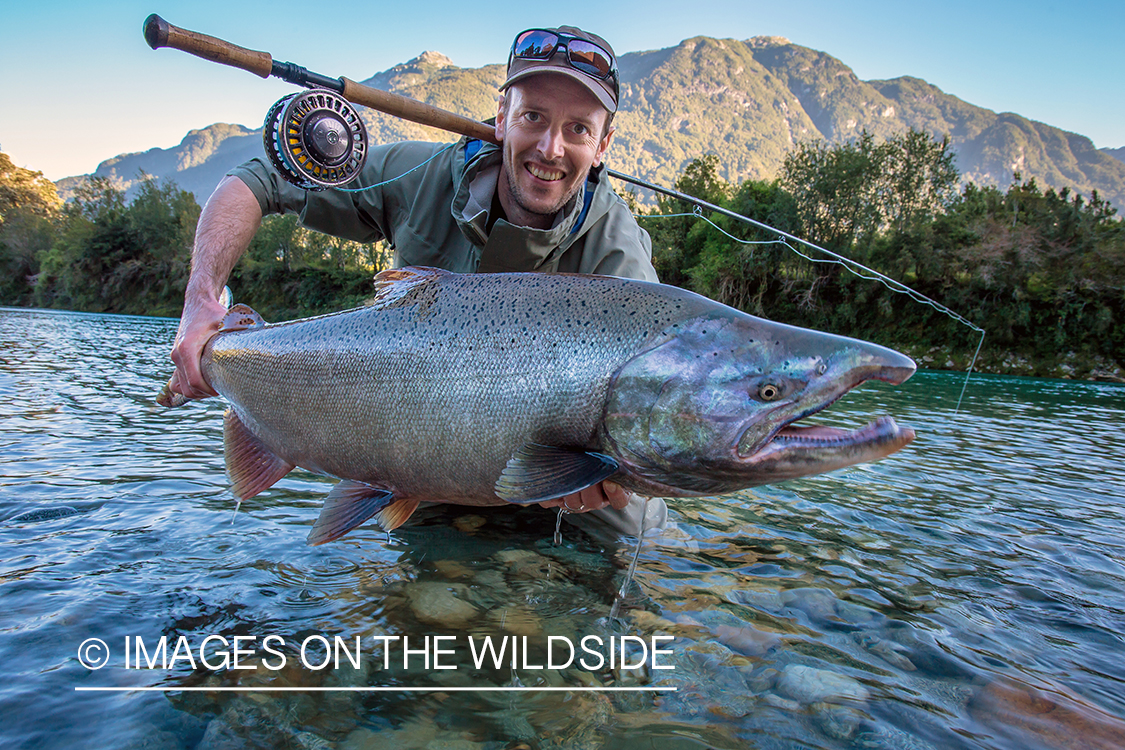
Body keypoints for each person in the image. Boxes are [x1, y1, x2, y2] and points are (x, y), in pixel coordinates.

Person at [169, 26, 666, 536]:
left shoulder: (619, 253)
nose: (550, 148)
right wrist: (202, 299)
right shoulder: (423, 174)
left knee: (633, 531)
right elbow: (260, 179)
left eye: (578, 129)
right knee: (425, 560)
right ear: (502, 118)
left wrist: (597, 468)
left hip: (570, 479)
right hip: (425, 450)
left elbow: (653, 401)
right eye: (533, 116)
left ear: (603, 145)